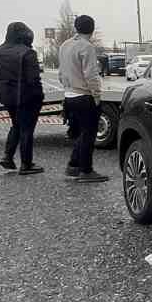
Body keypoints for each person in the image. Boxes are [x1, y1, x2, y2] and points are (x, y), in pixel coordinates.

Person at [57, 14, 109, 183]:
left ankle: (73, 166)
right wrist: (96, 96)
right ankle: (86, 171)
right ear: (92, 29)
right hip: (84, 95)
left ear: (76, 27)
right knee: (89, 134)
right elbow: (91, 75)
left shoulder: (65, 45)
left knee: (81, 133)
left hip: (69, 95)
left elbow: (61, 72)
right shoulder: (87, 47)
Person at [0, 21, 44, 174]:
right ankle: (26, 164)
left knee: (16, 125)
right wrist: (39, 96)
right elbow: (34, 79)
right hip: (27, 96)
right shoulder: (27, 53)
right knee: (27, 129)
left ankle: (8, 157)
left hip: (7, 96)